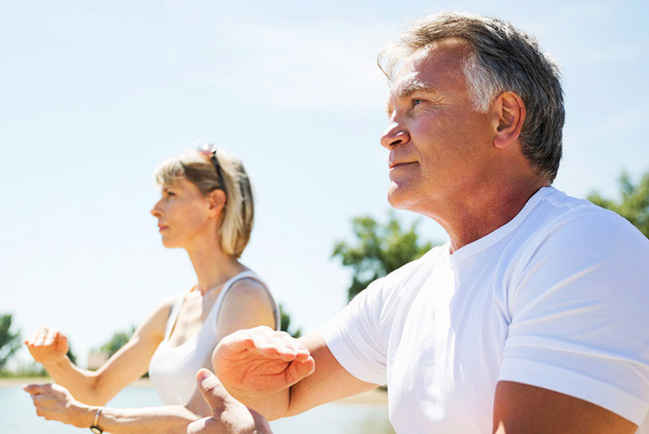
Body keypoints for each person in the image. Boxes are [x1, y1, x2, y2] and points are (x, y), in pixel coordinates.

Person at [197, 12, 649, 434]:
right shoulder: (406, 292)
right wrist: (243, 374)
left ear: (504, 119)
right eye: (391, 113)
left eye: (418, 102)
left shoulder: (587, 248)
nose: (389, 134)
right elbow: (286, 392)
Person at [24, 146, 280, 434]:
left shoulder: (245, 298)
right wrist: (55, 361)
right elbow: (95, 391)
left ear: (213, 203)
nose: (155, 208)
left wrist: (89, 417)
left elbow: (203, 417)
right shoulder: (172, 309)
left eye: (171, 195)